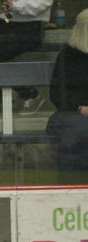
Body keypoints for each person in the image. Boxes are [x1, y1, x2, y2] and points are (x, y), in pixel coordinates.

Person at [46, 8, 88, 183]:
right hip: (70, 113)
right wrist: (81, 106)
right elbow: (57, 94)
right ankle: (70, 186)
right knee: (76, 129)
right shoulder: (68, 55)